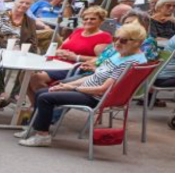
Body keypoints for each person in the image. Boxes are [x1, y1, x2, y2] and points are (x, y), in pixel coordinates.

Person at [16, 23, 149, 147]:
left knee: (45, 97)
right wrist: (65, 85)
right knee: (43, 91)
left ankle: (42, 136)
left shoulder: (129, 63)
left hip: (95, 96)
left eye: (123, 40)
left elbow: (104, 89)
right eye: (116, 38)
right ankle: (34, 128)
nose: (117, 43)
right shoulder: (122, 55)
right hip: (88, 89)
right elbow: (96, 75)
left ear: (137, 42)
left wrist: (72, 87)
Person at [27, 6, 112, 104]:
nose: (88, 21)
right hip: (56, 62)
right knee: (26, 75)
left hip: (73, 67)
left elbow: (101, 59)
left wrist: (76, 57)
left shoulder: (103, 37)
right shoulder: (78, 31)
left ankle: (50, 104)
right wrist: (59, 52)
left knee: (36, 78)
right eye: (86, 19)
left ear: (101, 21)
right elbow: (62, 46)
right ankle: (36, 108)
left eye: (93, 19)